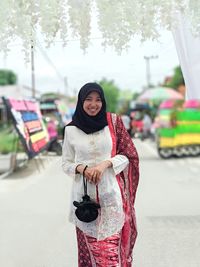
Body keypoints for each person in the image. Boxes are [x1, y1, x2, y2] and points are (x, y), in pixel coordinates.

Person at [62, 82, 139, 267]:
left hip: (111, 197)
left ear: (103, 102)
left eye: (98, 100)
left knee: (111, 258)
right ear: (81, 101)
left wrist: (106, 163)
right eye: (88, 99)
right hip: (84, 202)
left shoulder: (113, 123)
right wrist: (83, 169)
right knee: (93, 256)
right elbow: (66, 163)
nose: (93, 104)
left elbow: (128, 155)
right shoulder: (70, 129)